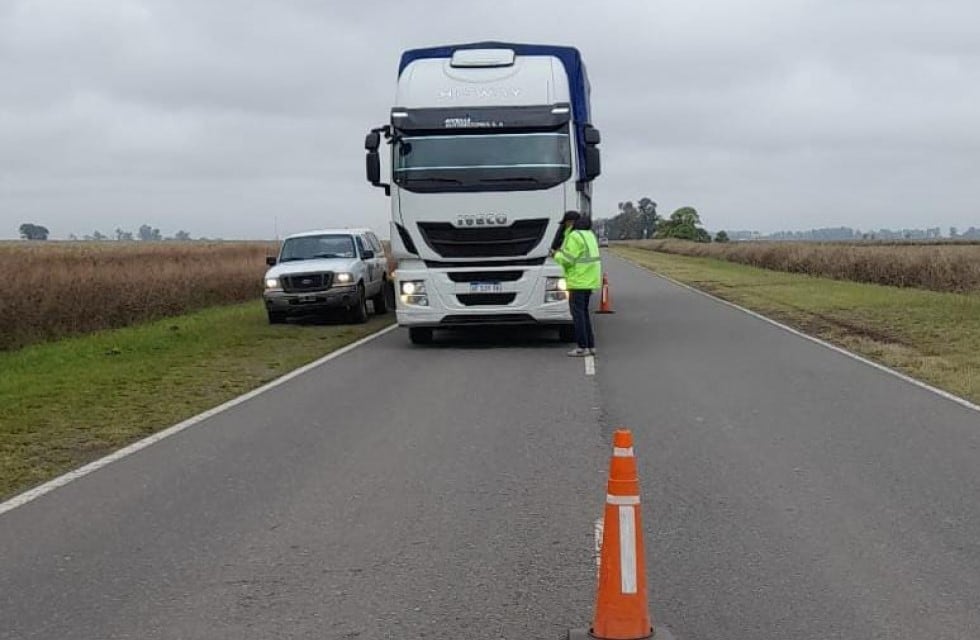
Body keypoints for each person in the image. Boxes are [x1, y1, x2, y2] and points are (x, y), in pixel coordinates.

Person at [550, 212, 602, 357]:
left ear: (571, 222)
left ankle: (582, 347)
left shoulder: (574, 236)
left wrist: (555, 255)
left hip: (578, 280)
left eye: (566, 223)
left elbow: (568, 259)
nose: (564, 226)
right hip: (589, 280)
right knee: (584, 314)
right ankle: (590, 346)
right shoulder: (589, 235)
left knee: (578, 315)